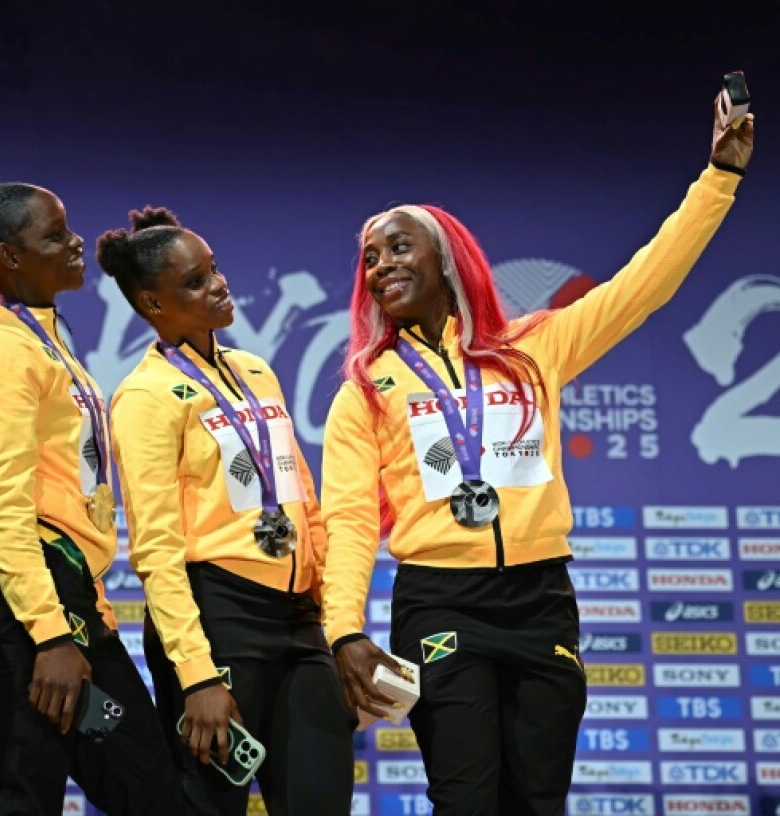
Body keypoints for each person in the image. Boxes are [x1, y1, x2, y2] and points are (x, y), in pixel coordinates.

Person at [320, 89, 755, 815]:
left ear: (447, 259)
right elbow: (350, 520)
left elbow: (645, 286)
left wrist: (720, 178)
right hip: (440, 603)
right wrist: (343, 630)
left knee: (538, 801)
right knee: (467, 799)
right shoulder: (366, 388)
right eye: (370, 258)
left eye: (399, 247)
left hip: (541, 602)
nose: (381, 265)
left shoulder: (533, 347)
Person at [100, 207, 359, 815]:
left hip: (298, 620)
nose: (218, 285)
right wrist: (197, 674)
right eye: (195, 282)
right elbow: (155, 548)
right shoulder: (144, 396)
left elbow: (303, 501)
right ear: (153, 303)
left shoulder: (255, 372)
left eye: (214, 269)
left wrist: (331, 615)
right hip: (219, 619)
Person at [0, 182, 183, 815]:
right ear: (8, 257)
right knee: (19, 797)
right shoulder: (0, 351)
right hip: (20, 598)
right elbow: (2, 504)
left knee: (147, 789)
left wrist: (84, 613)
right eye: (54, 235)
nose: (75, 242)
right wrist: (49, 637)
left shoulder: (42, 339)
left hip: (67, 594)